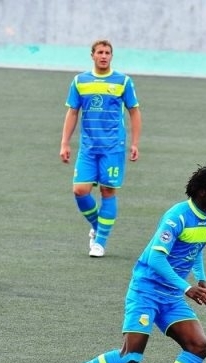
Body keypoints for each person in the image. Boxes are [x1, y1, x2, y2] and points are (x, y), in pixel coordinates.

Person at [49, 163, 206, 363]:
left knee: (198, 347)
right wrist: (187, 287)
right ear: (201, 192)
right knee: (130, 357)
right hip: (146, 291)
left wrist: (201, 279)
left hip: (170, 297)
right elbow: (156, 259)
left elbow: (196, 248)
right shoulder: (177, 216)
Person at [59, 39, 142, 258]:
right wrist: (65, 143)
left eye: (107, 53)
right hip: (88, 147)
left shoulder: (123, 81)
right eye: (100, 52)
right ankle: (98, 227)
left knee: (107, 191)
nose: (104, 56)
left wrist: (135, 143)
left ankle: (100, 243)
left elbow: (134, 111)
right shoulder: (80, 81)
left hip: (113, 147)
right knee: (80, 190)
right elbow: (72, 112)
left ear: (111, 56)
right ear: (92, 55)